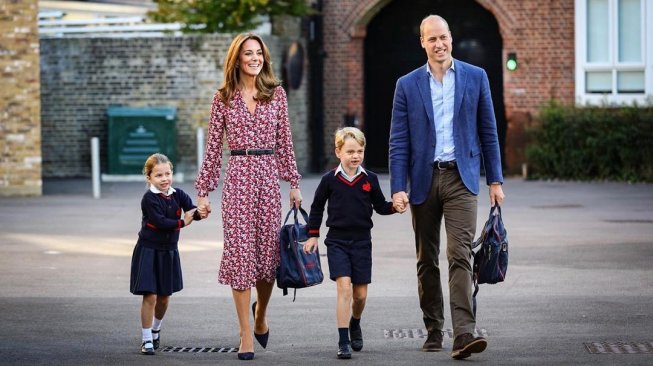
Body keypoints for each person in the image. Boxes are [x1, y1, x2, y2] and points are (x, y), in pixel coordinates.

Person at [388, 15, 505, 360]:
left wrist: (495, 180)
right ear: (422, 43)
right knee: (427, 260)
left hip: (462, 178)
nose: (439, 44)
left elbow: (489, 131)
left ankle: (464, 333)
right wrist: (398, 187)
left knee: (460, 255)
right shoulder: (406, 85)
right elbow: (398, 141)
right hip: (423, 180)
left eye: (443, 38)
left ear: (451, 38)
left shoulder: (475, 76)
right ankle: (434, 328)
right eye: (431, 39)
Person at [194, 33, 303, 361]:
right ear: (236, 60)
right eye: (248, 54)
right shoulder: (223, 98)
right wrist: (203, 191)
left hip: (268, 178)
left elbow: (285, 140)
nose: (254, 58)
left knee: (268, 260)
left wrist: (293, 182)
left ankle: (260, 315)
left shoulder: (277, 94)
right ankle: (245, 333)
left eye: (259, 53)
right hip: (238, 179)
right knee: (241, 256)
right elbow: (213, 148)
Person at [303, 127, 396, 359]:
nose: (356, 156)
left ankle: (355, 322)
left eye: (360, 151)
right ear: (338, 152)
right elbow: (316, 207)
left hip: (362, 242)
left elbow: (381, 206)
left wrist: (395, 206)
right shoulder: (329, 180)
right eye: (350, 151)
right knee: (343, 287)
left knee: (360, 295)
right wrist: (313, 234)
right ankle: (343, 340)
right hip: (337, 241)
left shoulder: (370, 179)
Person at [129, 153, 200, 355]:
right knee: (150, 295)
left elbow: (191, 209)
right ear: (149, 177)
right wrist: (182, 222)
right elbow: (160, 223)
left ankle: (156, 330)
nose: (164, 178)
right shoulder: (149, 199)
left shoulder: (178, 194)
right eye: (159, 175)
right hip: (149, 250)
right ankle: (146, 340)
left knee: (164, 297)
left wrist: (200, 212)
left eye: (167, 173)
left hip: (168, 252)